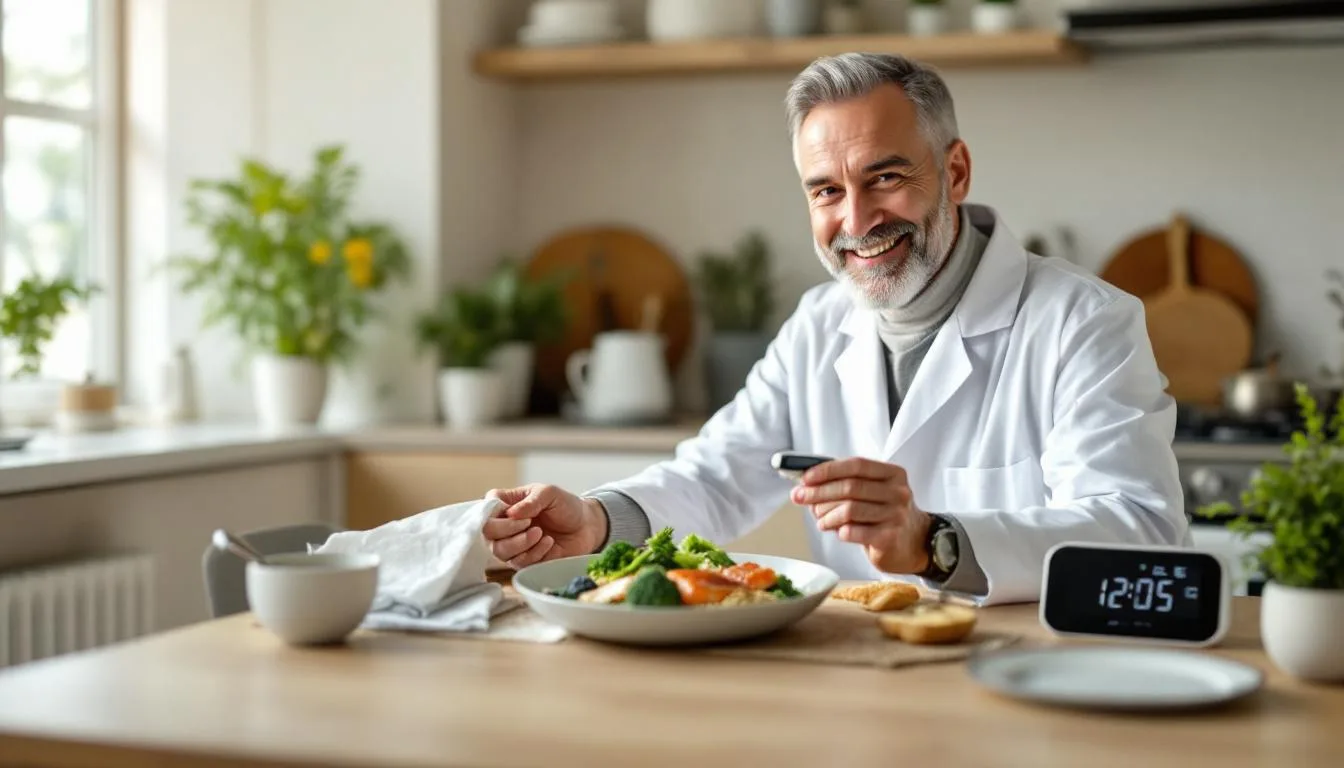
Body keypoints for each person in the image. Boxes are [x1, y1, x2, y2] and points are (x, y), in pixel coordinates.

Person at [482, 52, 1187, 605]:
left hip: (1024, 683)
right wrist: (600, 522)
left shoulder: (1083, 321)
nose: (856, 221)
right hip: (862, 681)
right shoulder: (819, 325)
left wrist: (935, 542)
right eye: (826, 190)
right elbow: (716, 477)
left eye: (884, 178)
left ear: (956, 170)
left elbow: (1140, 534)